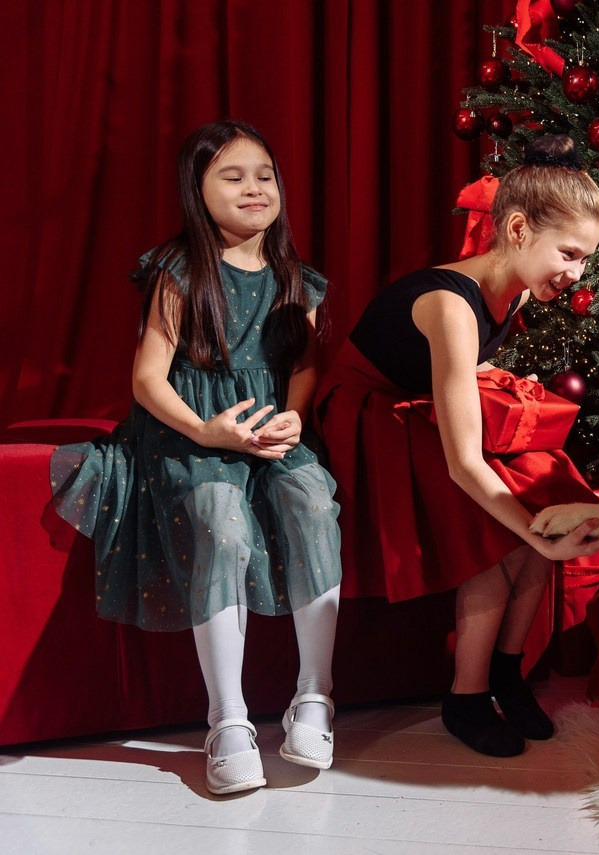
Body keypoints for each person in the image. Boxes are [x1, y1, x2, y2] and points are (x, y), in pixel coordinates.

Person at [49, 120, 343, 796]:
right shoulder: (181, 271)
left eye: (264, 175)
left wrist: (295, 412)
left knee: (311, 501)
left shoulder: (294, 276)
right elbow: (148, 378)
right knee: (221, 517)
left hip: (266, 429)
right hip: (191, 433)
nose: (253, 188)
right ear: (197, 189)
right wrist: (208, 434)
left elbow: (303, 363)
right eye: (232, 177)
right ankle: (229, 718)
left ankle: (314, 695)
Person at [315, 134, 599, 757]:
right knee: (500, 534)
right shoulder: (452, 307)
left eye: (585, 258)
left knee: (542, 498)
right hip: (367, 418)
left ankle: (508, 667)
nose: (576, 272)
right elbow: (462, 464)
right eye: (568, 253)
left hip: (415, 404)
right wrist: (527, 532)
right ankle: (467, 693)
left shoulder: (514, 292)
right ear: (514, 229)